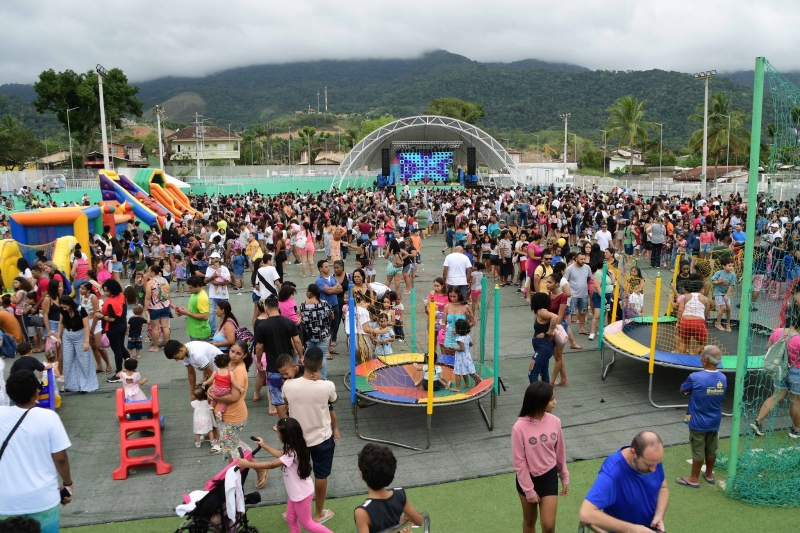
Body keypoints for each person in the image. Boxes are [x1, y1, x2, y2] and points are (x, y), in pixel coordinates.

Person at [0, 371, 73, 533]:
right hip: (41, 499)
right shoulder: (48, 418)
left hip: (5, 502)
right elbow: (61, 459)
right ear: (36, 392)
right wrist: (68, 484)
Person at [238, 419, 333, 533]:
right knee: (291, 519)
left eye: (279, 432)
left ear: (286, 436)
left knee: (308, 525)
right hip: (296, 493)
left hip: (301, 495)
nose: (277, 434)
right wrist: (264, 446)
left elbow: (272, 464)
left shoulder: (292, 452)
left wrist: (248, 464)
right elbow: (282, 456)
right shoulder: (295, 446)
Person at [282, 347, 337, 524]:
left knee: (297, 475)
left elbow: (286, 402)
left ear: (302, 361)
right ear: (320, 366)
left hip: (298, 440)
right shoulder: (327, 386)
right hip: (322, 437)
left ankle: (294, 512)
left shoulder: (288, 385)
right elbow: (333, 399)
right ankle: (319, 513)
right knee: (321, 475)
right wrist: (321, 381)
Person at [579, 431, 669, 533]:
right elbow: (585, 513)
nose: (654, 469)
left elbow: (663, 488)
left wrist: (659, 515)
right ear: (633, 452)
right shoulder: (612, 473)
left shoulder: (652, 459)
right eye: (648, 464)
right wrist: (633, 530)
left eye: (656, 463)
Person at [512, 382, 569, 533]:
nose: (555, 402)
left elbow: (560, 451)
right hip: (527, 479)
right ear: (540, 402)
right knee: (530, 520)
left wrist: (564, 476)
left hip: (549, 477)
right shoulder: (519, 427)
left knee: (549, 525)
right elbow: (519, 463)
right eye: (552, 400)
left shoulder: (555, 421)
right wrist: (529, 490)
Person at [676, 345, 727, 488]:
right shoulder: (723, 378)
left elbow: (682, 389)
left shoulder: (695, 377)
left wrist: (691, 392)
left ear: (705, 360)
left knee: (698, 448)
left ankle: (693, 478)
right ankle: (709, 474)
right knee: (711, 448)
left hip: (697, 421)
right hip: (715, 421)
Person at [751, 304, 800, 439]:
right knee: (796, 401)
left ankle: (758, 421)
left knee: (775, 395)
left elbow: (769, 348)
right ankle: (795, 430)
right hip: (797, 371)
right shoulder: (799, 338)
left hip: (780, 370)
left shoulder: (778, 331)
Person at [354, 443, 425, 533]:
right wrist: (405, 520)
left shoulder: (362, 512)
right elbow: (420, 521)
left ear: (362, 475)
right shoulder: (399, 495)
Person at [253, 296, 304, 422]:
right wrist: (301, 356)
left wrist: (259, 361)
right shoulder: (288, 322)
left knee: (278, 399)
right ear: (279, 306)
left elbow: (259, 347)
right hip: (289, 366)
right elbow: (297, 340)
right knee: (293, 396)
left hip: (273, 367)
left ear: (266, 308)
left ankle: (284, 424)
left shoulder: (262, 326)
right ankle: (297, 420)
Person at [207, 340, 253, 462]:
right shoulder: (228, 366)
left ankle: (253, 470)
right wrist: (210, 390)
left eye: (238, 353)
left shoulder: (238, 371)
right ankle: (248, 470)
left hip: (233, 416)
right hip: (225, 416)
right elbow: (216, 382)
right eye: (232, 351)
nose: (233, 355)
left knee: (231, 448)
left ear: (244, 355)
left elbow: (234, 397)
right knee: (232, 446)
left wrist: (215, 397)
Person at [56, 295, 98, 393]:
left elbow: (86, 326)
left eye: (65, 307)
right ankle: (70, 385)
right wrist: (58, 337)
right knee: (68, 360)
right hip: (67, 335)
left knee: (83, 360)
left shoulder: (81, 310)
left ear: (70, 304)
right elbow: (61, 323)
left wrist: (86, 342)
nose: (64, 309)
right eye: (62, 307)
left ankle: (87, 385)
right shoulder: (62, 311)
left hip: (80, 335)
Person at [98, 279, 129, 383]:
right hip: (122, 324)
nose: (105, 293)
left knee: (117, 350)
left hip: (113, 328)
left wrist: (101, 316)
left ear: (112, 290)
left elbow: (111, 318)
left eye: (107, 291)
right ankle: (130, 367)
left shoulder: (111, 302)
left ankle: (118, 373)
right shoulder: (121, 297)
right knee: (121, 347)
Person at [300, 284, 334, 376]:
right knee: (322, 357)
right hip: (323, 335)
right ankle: (322, 378)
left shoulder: (303, 305)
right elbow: (332, 317)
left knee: (310, 357)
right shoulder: (325, 303)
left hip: (309, 336)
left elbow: (302, 319)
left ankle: (310, 376)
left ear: (310, 293)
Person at [203, 352, 245, 419]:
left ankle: (211, 406)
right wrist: (240, 389)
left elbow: (210, 380)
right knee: (225, 401)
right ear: (228, 364)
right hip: (225, 391)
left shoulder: (216, 372)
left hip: (217, 389)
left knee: (215, 394)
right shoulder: (230, 373)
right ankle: (220, 412)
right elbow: (234, 383)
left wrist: (205, 383)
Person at [529, 293, 559, 384]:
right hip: (541, 346)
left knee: (532, 373)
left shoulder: (542, 312)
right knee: (544, 372)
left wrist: (551, 331)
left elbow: (555, 317)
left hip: (543, 346)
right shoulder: (539, 312)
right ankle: (547, 394)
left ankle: (537, 395)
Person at [174, 276, 212, 342]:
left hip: (200, 334)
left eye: (190, 287)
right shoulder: (194, 294)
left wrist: (188, 313)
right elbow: (194, 311)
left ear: (197, 286)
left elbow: (205, 316)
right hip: (194, 331)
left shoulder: (202, 297)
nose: (189, 289)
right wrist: (183, 312)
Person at [144, 264, 171, 353]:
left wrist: (145, 308)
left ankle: (155, 347)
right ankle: (167, 344)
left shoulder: (150, 282)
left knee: (155, 328)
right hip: (165, 305)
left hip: (154, 307)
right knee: (165, 326)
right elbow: (168, 294)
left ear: (152, 272)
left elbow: (148, 297)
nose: (148, 272)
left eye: (149, 271)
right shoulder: (165, 280)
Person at [563, 252, 592, 335]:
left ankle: (582, 328)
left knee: (583, 311)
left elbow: (588, 278)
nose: (583, 261)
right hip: (572, 295)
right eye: (581, 259)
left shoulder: (587, 267)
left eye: (584, 259)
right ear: (576, 259)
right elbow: (565, 281)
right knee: (570, 312)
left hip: (584, 294)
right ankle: (569, 330)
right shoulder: (569, 269)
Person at [451, 318, 480, 391]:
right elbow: (471, 344)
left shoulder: (459, 339)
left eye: (456, 327)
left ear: (458, 330)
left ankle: (457, 387)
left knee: (457, 372)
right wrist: (471, 341)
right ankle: (467, 383)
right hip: (467, 356)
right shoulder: (467, 336)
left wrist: (454, 349)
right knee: (465, 371)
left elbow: (462, 349)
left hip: (461, 358)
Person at [204, 252, 231, 333]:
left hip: (223, 295)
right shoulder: (209, 268)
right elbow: (205, 281)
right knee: (212, 314)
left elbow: (229, 281)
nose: (212, 260)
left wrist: (218, 283)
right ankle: (213, 332)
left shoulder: (224, 268)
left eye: (213, 258)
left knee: (225, 314)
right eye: (211, 258)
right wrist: (213, 277)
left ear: (218, 259)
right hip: (213, 295)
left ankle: (224, 331)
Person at [711, 258, 736, 332]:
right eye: (729, 266)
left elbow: (731, 286)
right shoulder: (719, 273)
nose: (731, 267)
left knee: (729, 308)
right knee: (723, 308)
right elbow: (713, 281)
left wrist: (727, 295)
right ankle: (718, 323)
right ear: (723, 266)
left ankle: (728, 324)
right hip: (718, 292)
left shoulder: (732, 275)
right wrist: (718, 282)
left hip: (725, 293)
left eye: (732, 266)